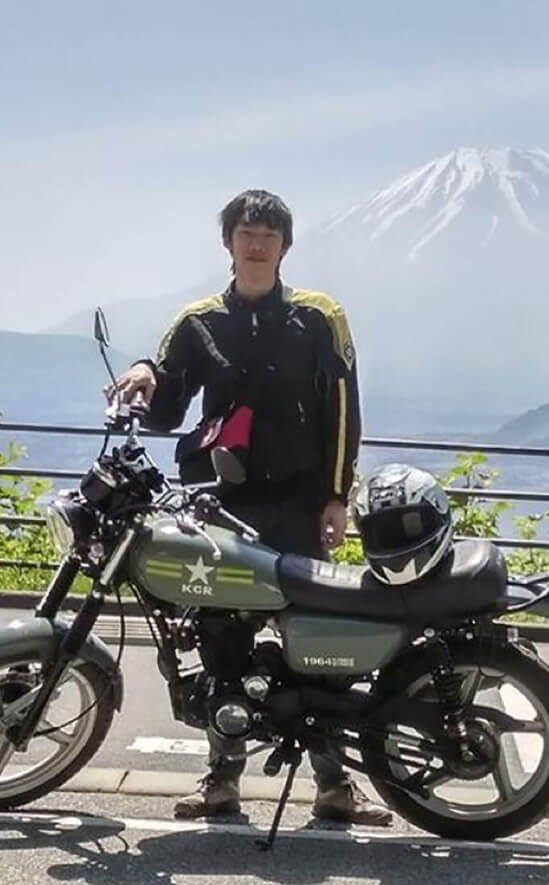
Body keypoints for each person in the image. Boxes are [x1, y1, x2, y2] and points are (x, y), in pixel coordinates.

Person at [107, 189, 392, 826]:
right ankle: (221, 781)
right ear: (228, 241)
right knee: (221, 641)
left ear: (285, 244)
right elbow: (167, 405)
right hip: (218, 505)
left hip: (298, 502)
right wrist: (142, 372)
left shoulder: (320, 316)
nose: (256, 241)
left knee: (315, 644)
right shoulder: (198, 320)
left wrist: (337, 495)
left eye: (268, 232)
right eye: (246, 230)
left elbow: (343, 409)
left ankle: (335, 786)